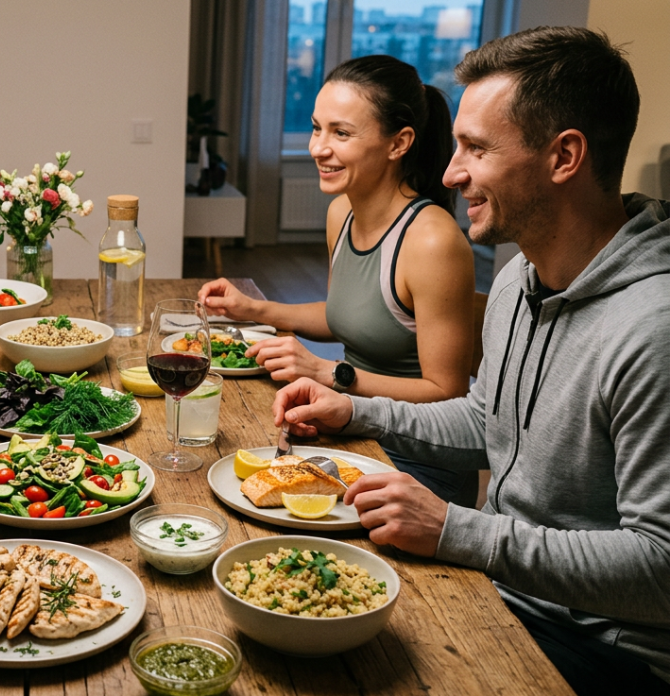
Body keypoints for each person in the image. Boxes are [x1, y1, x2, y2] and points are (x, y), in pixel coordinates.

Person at [272, 27, 670, 695]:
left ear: (563, 156)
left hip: (601, 650)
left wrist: (460, 530)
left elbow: (660, 570)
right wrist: (356, 409)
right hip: (505, 591)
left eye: (476, 149)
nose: (451, 173)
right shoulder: (519, 279)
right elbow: (488, 420)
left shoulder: (652, 329)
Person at [198, 55, 478, 505]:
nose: (317, 148)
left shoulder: (432, 241)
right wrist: (254, 309)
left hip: (415, 468)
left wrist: (330, 373)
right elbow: (347, 313)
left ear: (398, 143)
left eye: (341, 133)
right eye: (316, 128)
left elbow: (448, 394)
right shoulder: (341, 212)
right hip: (352, 432)